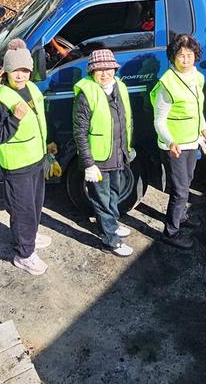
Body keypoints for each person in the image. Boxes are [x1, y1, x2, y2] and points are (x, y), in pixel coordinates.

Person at [0, 39, 51, 276]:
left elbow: (38, 119)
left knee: (34, 205)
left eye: (25, 70)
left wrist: (46, 146)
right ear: (7, 72)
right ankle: (24, 254)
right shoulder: (1, 100)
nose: (21, 75)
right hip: (17, 164)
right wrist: (15, 118)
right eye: (15, 71)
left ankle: (30, 237)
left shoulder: (31, 88)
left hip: (35, 158)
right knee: (22, 209)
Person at [150, 34, 206, 250]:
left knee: (187, 181)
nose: (185, 59)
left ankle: (182, 216)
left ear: (196, 56)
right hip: (174, 145)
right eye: (180, 55)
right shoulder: (166, 84)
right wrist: (170, 142)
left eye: (189, 55)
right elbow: (159, 120)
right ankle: (171, 232)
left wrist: (204, 130)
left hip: (192, 141)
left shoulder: (197, 77)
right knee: (179, 190)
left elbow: (197, 108)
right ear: (173, 57)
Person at [74, 48, 135, 258]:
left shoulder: (119, 87)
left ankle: (113, 225)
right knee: (101, 199)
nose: (105, 73)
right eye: (99, 69)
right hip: (98, 159)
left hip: (117, 154)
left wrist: (127, 149)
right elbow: (80, 132)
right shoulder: (86, 93)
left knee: (114, 194)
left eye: (108, 68)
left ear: (115, 69)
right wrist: (88, 163)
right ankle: (111, 240)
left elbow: (126, 120)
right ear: (92, 71)